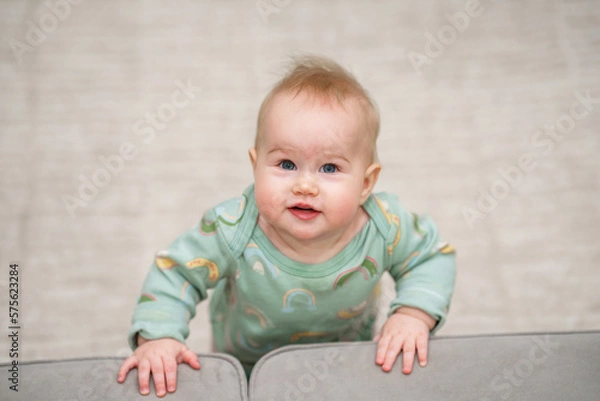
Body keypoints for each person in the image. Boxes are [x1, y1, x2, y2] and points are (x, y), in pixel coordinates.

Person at [117, 55, 456, 397]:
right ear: (256, 165)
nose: (305, 186)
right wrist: (159, 336)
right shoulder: (233, 229)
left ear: (366, 184)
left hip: (350, 357)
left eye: (329, 168)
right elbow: (175, 272)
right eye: (286, 163)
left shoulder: (384, 226)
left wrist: (413, 314)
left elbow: (431, 256)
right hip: (246, 363)